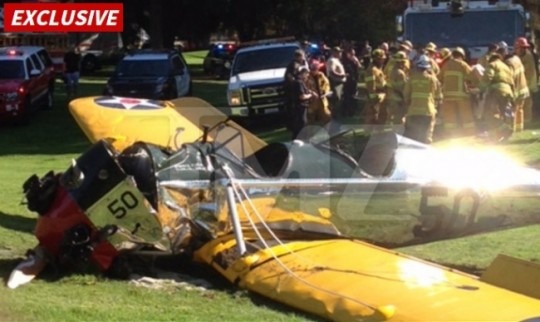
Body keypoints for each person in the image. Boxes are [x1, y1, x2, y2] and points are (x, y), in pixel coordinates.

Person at [403, 54, 442, 144]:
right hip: (428, 112)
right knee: (427, 135)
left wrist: (409, 105)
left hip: (413, 111)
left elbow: (406, 95)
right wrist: (436, 108)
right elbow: (438, 96)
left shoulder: (411, 79)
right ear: (427, 68)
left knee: (413, 135)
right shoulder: (433, 79)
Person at [439, 47, 476, 137]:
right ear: (462, 56)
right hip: (461, 96)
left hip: (447, 96)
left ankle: (451, 135)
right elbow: (472, 78)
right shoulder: (463, 65)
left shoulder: (446, 65)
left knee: (450, 119)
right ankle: (469, 134)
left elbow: (439, 79)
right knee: (467, 118)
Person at [479, 52, 515, 142]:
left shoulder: (492, 65)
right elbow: (512, 81)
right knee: (505, 113)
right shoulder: (505, 66)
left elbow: (487, 77)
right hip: (508, 91)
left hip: (496, 91)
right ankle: (505, 132)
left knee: (489, 113)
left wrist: (481, 90)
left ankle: (505, 129)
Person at [500, 42, 529, 133]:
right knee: (520, 109)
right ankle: (519, 129)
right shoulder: (516, 59)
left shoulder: (508, 63)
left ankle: (511, 128)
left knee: (513, 110)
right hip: (523, 88)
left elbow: (509, 79)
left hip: (516, 91)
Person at [514, 37, 538, 127]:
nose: (517, 50)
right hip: (522, 85)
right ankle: (522, 121)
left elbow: (528, 73)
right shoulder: (520, 56)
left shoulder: (527, 57)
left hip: (527, 85)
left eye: (519, 48)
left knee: (526, 104)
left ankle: (526, 122)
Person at [290, 67, 316, 140]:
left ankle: (297, 139)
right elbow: (302, 96)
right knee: (302, 124)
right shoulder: (299, 83)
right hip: (300, 106)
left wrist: (310, 92)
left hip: (298, 106)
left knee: (300, 123)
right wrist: (311, 95)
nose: (307, 77)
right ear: (303, 73)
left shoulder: (296, 82)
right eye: (307, 75)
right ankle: (301, 139)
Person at [385, 51, 408, 130]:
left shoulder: (392, 71)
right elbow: (402, 88)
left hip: (391, 98)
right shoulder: (400, 73)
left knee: (392, 117)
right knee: (399, 119)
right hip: (398, 99)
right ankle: (398, 135)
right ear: (401, 62)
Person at [364, 49, 387, 128]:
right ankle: (369, 136)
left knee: (380, 118)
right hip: (375, 99)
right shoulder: (371, 70)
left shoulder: (378, 69)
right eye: (382, 59)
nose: (383, 60)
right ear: (377, 59)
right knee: (372, 118)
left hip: (380, 97)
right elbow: (371, 86)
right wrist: (374, 100)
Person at [306, 60, 332, 130]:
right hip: (312, 102)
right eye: (312, 69)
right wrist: (311, 93)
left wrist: (325, 91)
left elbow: (327, 84)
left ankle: (329, 132)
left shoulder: (321, 75)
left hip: (322, 100)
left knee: (327, 116)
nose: (314, 71)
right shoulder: (307, 77)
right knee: (311, 118)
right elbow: (305, 87)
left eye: (315, 69)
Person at [326, 46, 347, 116]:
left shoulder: (336, 60)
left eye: (340, 52)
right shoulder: (332, 60)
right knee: (336, 98)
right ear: (334, 52)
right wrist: (341, 75)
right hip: (335, 82)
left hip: (339, 82)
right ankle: (334, 115)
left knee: (339, 98)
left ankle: (337, 114)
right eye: (339, 52)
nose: (340, 53)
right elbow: (332, 72)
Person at [342, 48, 361, 117]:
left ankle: (353, 110)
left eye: (354, 54)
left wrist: (357, 62)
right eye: (352, 54)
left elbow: (360, 68)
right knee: (347, 97)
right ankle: (346, 111)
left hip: (354, 81)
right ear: (348, 54)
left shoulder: (354, 61)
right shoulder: (345, 62)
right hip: (347, 82)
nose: (353, 56)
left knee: (354, 95)